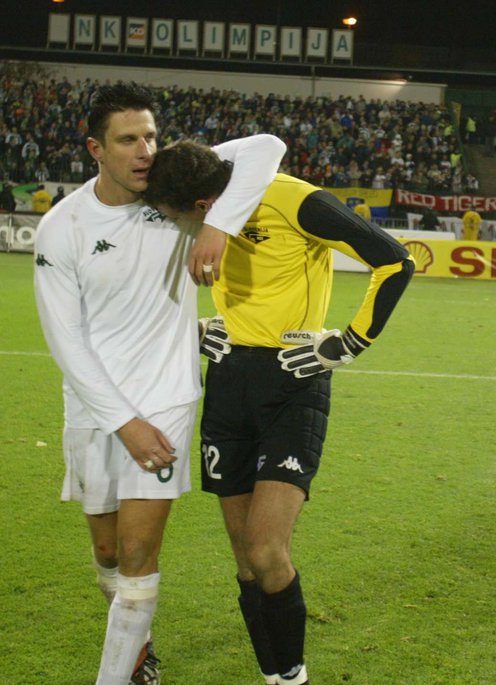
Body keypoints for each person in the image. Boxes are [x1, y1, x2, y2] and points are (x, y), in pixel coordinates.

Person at [33, 83, 285, 685]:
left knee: (140, 557)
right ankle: (138, 650)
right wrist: (123, 422)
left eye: (150, 134)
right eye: (128, 139)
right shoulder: (61, 227)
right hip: (94, 409)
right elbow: (66, 340)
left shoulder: (175, 193)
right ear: (96, 148)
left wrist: (217, 225)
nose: (145, 149)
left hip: (167, 400)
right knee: (109, 555)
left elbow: (267, 147)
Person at [142, 140, 415, 685]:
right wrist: (194, 330)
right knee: (246, 561)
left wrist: (349, 343)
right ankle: (277, 676)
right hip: (227, 384)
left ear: (201, 205)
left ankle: (293, 678)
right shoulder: (213, 216)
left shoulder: (293, 200)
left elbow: (394, 260)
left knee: (267, 551)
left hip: (294, 383)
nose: (176, 230)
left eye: (177, 218)